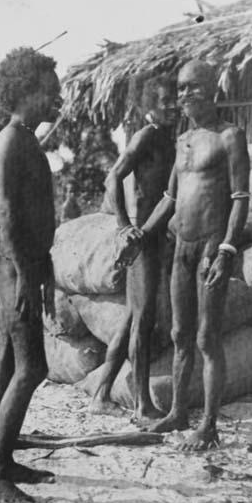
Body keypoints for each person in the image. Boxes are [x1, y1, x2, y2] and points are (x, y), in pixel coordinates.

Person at [126, 60, 250, 450]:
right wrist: (142, 234)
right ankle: (178, 412)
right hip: (182, 247)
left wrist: (227, 249)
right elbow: (171, 197)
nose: (184, 95)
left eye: (194, 87)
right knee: (180, 333)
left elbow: (240, 197)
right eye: (180, 89)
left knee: (206, 337)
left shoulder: (231, 136)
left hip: (212, 247)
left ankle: (209, 426)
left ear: (213, 88)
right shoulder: (183, 140)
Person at [0, 47, 62, 503]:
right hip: (13, 262)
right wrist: (27, 274)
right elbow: (7, 211)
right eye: (50, 92)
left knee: (10, 356)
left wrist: (39, 263)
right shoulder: (13, 140)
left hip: (20, 260)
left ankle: (3, 459)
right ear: (27, 90)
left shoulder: (21, 137)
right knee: (33, 367)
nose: (57, 100)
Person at [89, 76, 177, 422]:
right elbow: (113, 176)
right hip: (142, 240)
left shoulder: (167, 139)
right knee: (143, 320)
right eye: (164, 100)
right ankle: (142, 406)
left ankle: (100, 394)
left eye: (174, 99)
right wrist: (126, 227)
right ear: (148, 106)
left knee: (130, 319)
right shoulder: (147, 135)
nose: (171, 105)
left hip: (153, 237)